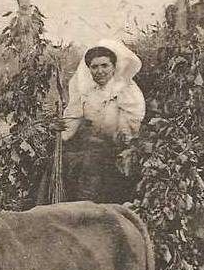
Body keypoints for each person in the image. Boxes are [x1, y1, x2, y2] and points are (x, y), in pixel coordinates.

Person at [59, 39, 146, 203]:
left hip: (117, 149)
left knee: (92, 165)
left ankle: (86, 207)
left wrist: (116, 143)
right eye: (94, 67)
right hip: (91, 148)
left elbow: (128, 131)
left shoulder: (126, 91)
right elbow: (73, 119)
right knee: (61, 162)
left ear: (114, 67)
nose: (99, 71)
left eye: (104, 66)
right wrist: (60, 133)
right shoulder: (85, 92)